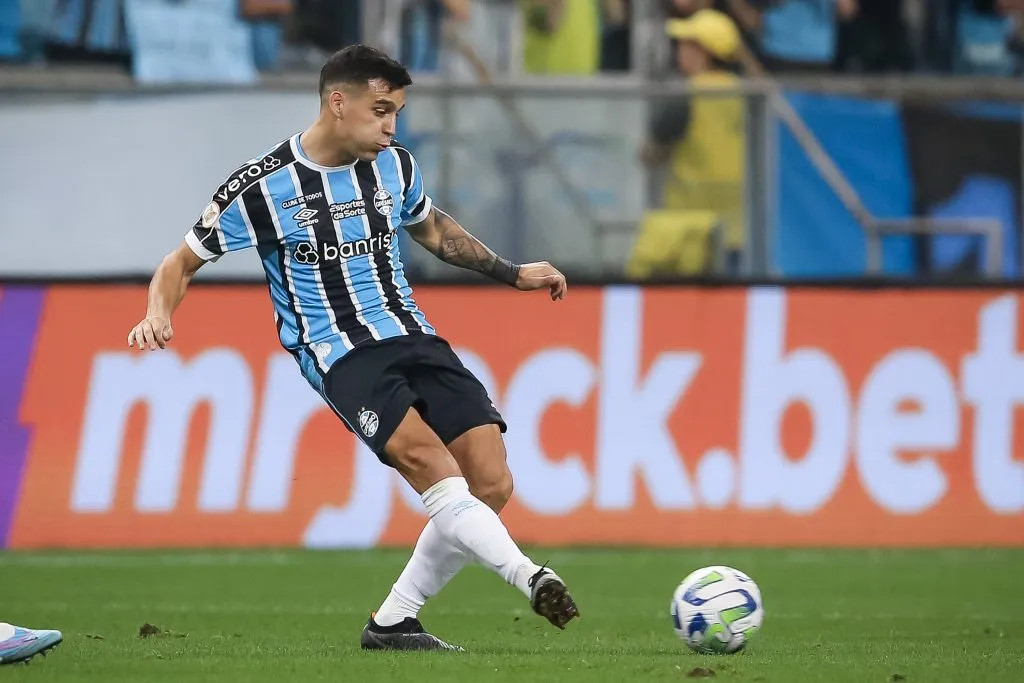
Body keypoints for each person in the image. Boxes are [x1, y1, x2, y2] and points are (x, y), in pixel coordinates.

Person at [126, 44, 578, 652]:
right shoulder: (261, 187)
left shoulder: (394, 165)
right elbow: (181, 262)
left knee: (492, 482)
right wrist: (158, 312)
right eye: (381, 110)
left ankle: (392, 622)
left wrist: (511, 271)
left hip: (412, 333)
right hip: (340, 353)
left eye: (396, 112)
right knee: (432, 468)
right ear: (339, 102)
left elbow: (434, 230)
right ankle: (530, 576)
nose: (392, 126)